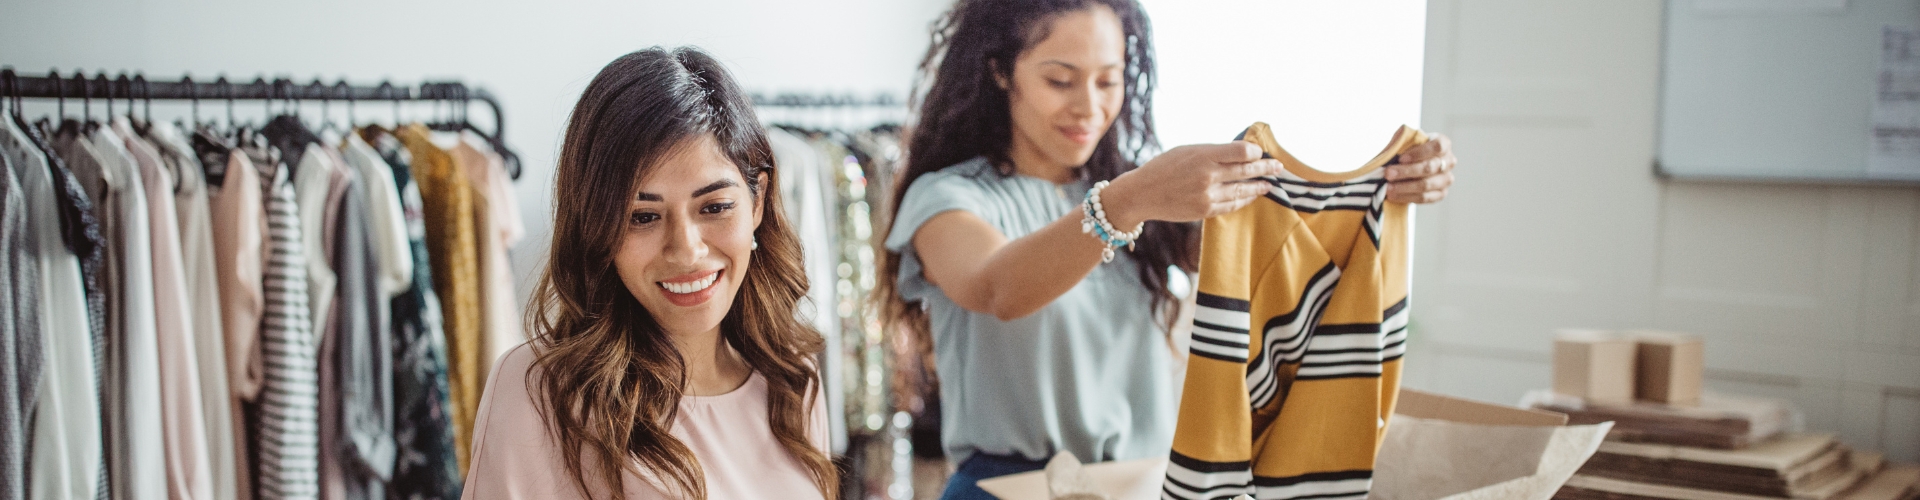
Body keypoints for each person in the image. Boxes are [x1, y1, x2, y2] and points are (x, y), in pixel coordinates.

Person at [876, 0, 1459, 498]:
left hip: (1143, 485)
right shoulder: (947, 198)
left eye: (1108, 80)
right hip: (1006, 491)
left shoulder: (1137, 195)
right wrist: (1128, 201)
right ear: (1001, 72)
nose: (1089, 106)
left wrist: (1389, 184)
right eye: (1060, 80)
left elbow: (1275, 257)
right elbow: (997, 288)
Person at [461, 47, 837, 499]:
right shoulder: (538, 393)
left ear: (757, 203)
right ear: (598, 228)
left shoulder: (793, 380)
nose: (686, 251)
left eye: (715, 207)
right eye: (643, 216)